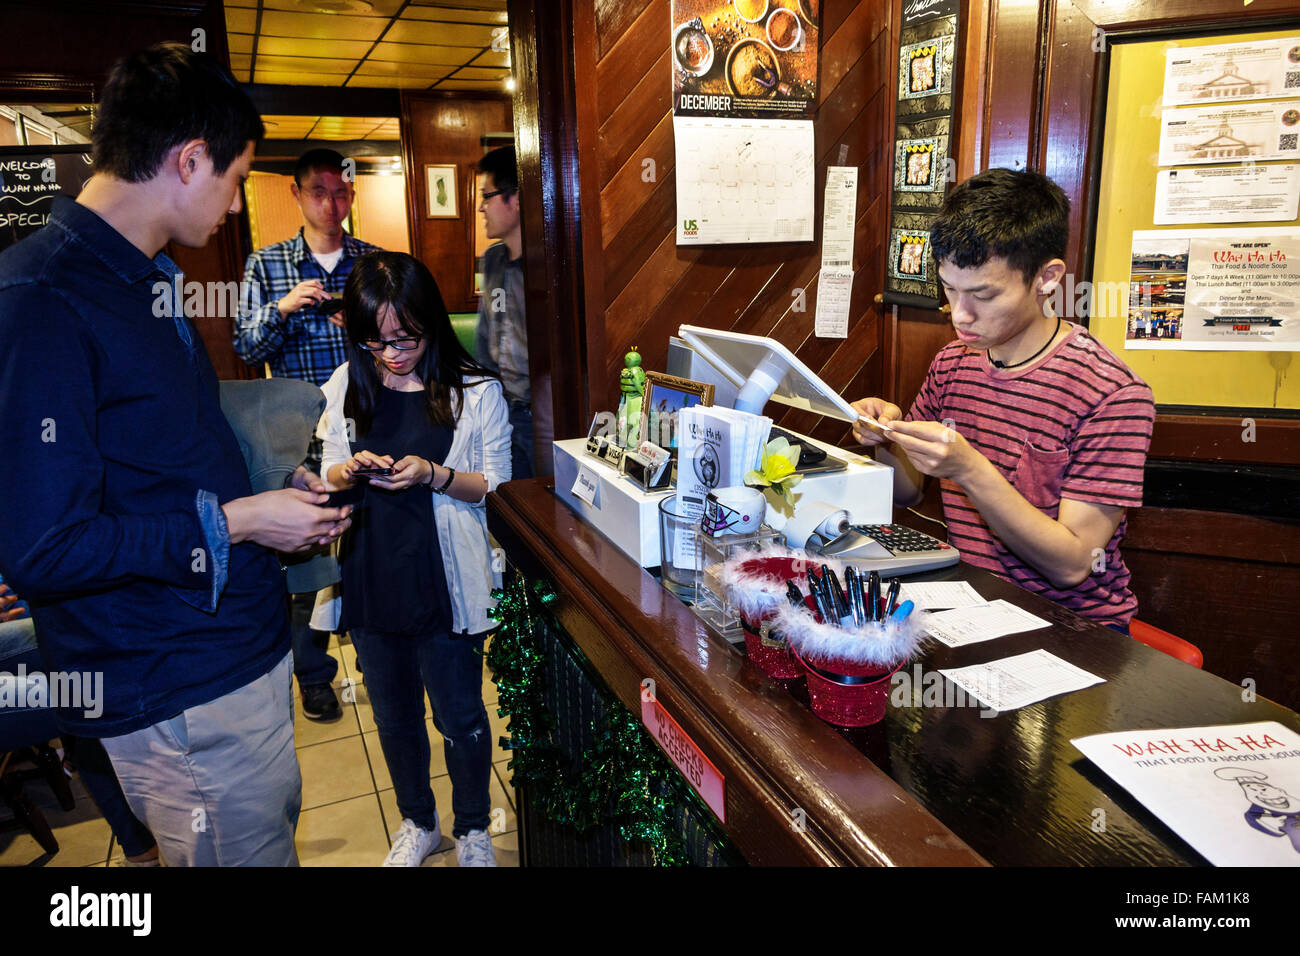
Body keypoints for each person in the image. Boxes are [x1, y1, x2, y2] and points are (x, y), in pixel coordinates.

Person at [0, 43, 352, 866]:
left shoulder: (148, 274)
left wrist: (272, 485)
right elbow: (45, 548)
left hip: (233, 651)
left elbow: (167, 451)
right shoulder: (41, 299)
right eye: (236, 181)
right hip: (175, 682)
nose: (235, 207)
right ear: (190, 160)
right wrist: (240, 521)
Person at [852, 168, 1155, 633]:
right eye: (949, 289)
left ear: (1047, 279)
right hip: (969, 608)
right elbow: (908, 491)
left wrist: (969, 468)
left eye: (983, 294)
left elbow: (1074, 564)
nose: (959, 314)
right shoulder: (954, 362)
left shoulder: (1111, 393)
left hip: (1074, 630)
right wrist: (885, 440)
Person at [317, 251, 509, 866]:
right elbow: (327, 465)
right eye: (375, 343)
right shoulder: (349, 382)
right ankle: (419, 822)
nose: (391, 355)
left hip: (445, 576)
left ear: (431, 323)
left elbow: (498, 488)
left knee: (459, 714)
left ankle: (474, 828)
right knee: (394, 715)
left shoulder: (477, 392)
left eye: (405, 340)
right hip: (372, 571)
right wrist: (347, 470)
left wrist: (434, 473)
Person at [235, 148, 381, 722]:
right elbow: (247, 347)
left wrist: (365, 320)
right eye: (318, 192)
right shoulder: (267, 265)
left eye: (342, 192)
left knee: (369, 541)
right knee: (307, 557)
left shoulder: (371, 262)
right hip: (295, 436)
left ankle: (376, 652)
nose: (331, 203)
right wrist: (282, 308)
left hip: (367, 421)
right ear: (296, 195)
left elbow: (404, 335)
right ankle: (314, 675)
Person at [473, 145, 532, 479]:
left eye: (487, 196)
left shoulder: (549, 265)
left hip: (545, 414)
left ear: (517, 198)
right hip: (503, 407)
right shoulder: (493, 260)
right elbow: (486, 338)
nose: (481, 207)